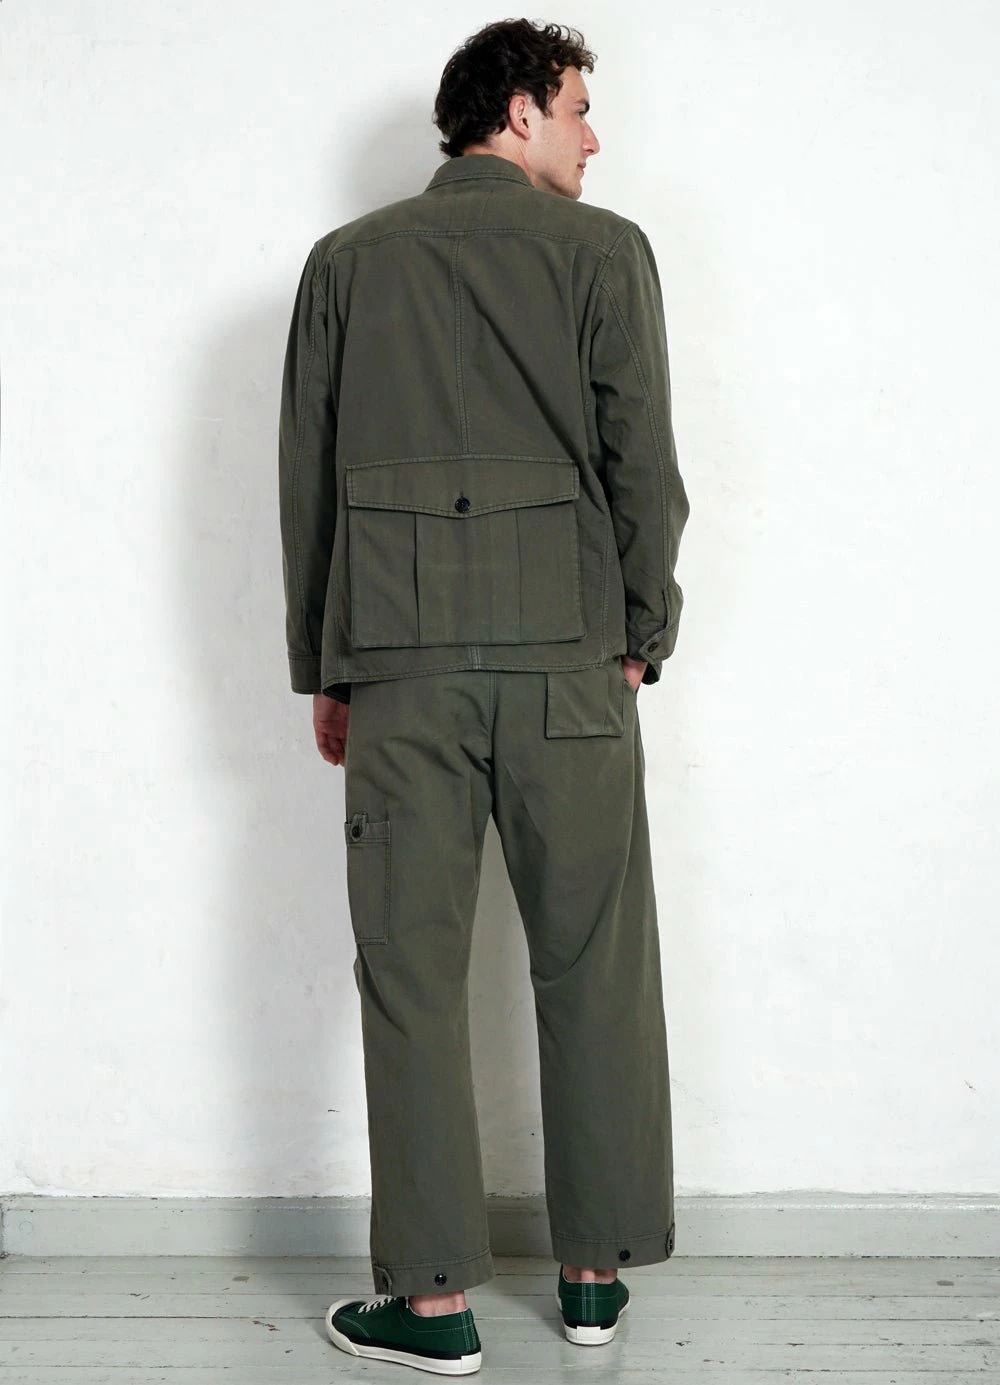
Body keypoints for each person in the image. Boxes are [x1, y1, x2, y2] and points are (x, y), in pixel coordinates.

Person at [278, 17, 690, 1376]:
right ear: (516, 112)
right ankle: (591, 1283)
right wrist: (641, 629)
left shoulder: (346, 264)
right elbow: (643, 464)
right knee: (595, 963)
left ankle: (434, 1307)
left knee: (410, 975)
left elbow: (310, 482)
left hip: (402, 671)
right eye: (576, 108)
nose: (592, 136)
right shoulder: (605, 253)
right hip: (570, 662)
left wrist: (326, 665)